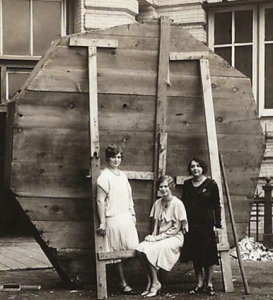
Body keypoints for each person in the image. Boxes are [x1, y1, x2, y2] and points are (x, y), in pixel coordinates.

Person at [96, 144, 139, 295]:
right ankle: (122, 282)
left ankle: (117, 278)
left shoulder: (123, 175)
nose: (116, 160)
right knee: (115, 252)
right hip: (112, 218)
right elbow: (100, 201)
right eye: (114, 157)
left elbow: (129, 197)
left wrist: (132, 214)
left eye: (119, 157)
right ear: (108, 158)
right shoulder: (104, 177)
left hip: (126, 217)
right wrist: (102, 221)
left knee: (133, 248)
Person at [136, 175, 188, 298]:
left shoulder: (178, 204)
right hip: (160, 237)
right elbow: (156, 224)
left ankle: (155, 283)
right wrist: (153, 237)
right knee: (140, 249)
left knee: (151, 250)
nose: (163, 189)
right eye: (161, 186)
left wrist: (156, 239)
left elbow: (176, 229)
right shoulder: (157, 203)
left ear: (171, 187)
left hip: (175, 238)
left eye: (166, 186)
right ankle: (150, 281)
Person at [180, 158, 222, 296]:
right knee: (195, 254)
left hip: (207, 224)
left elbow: (217, 205)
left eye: (198, 166)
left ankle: (209, 284)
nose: (195, 168)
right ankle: (199, 283)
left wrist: (217, 224)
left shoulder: (211, 184)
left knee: (208, 255)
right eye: (192, 166)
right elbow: (183, 205)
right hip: (192, 224)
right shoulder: (187, 184)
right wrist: (183, 222)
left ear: (203, 168)